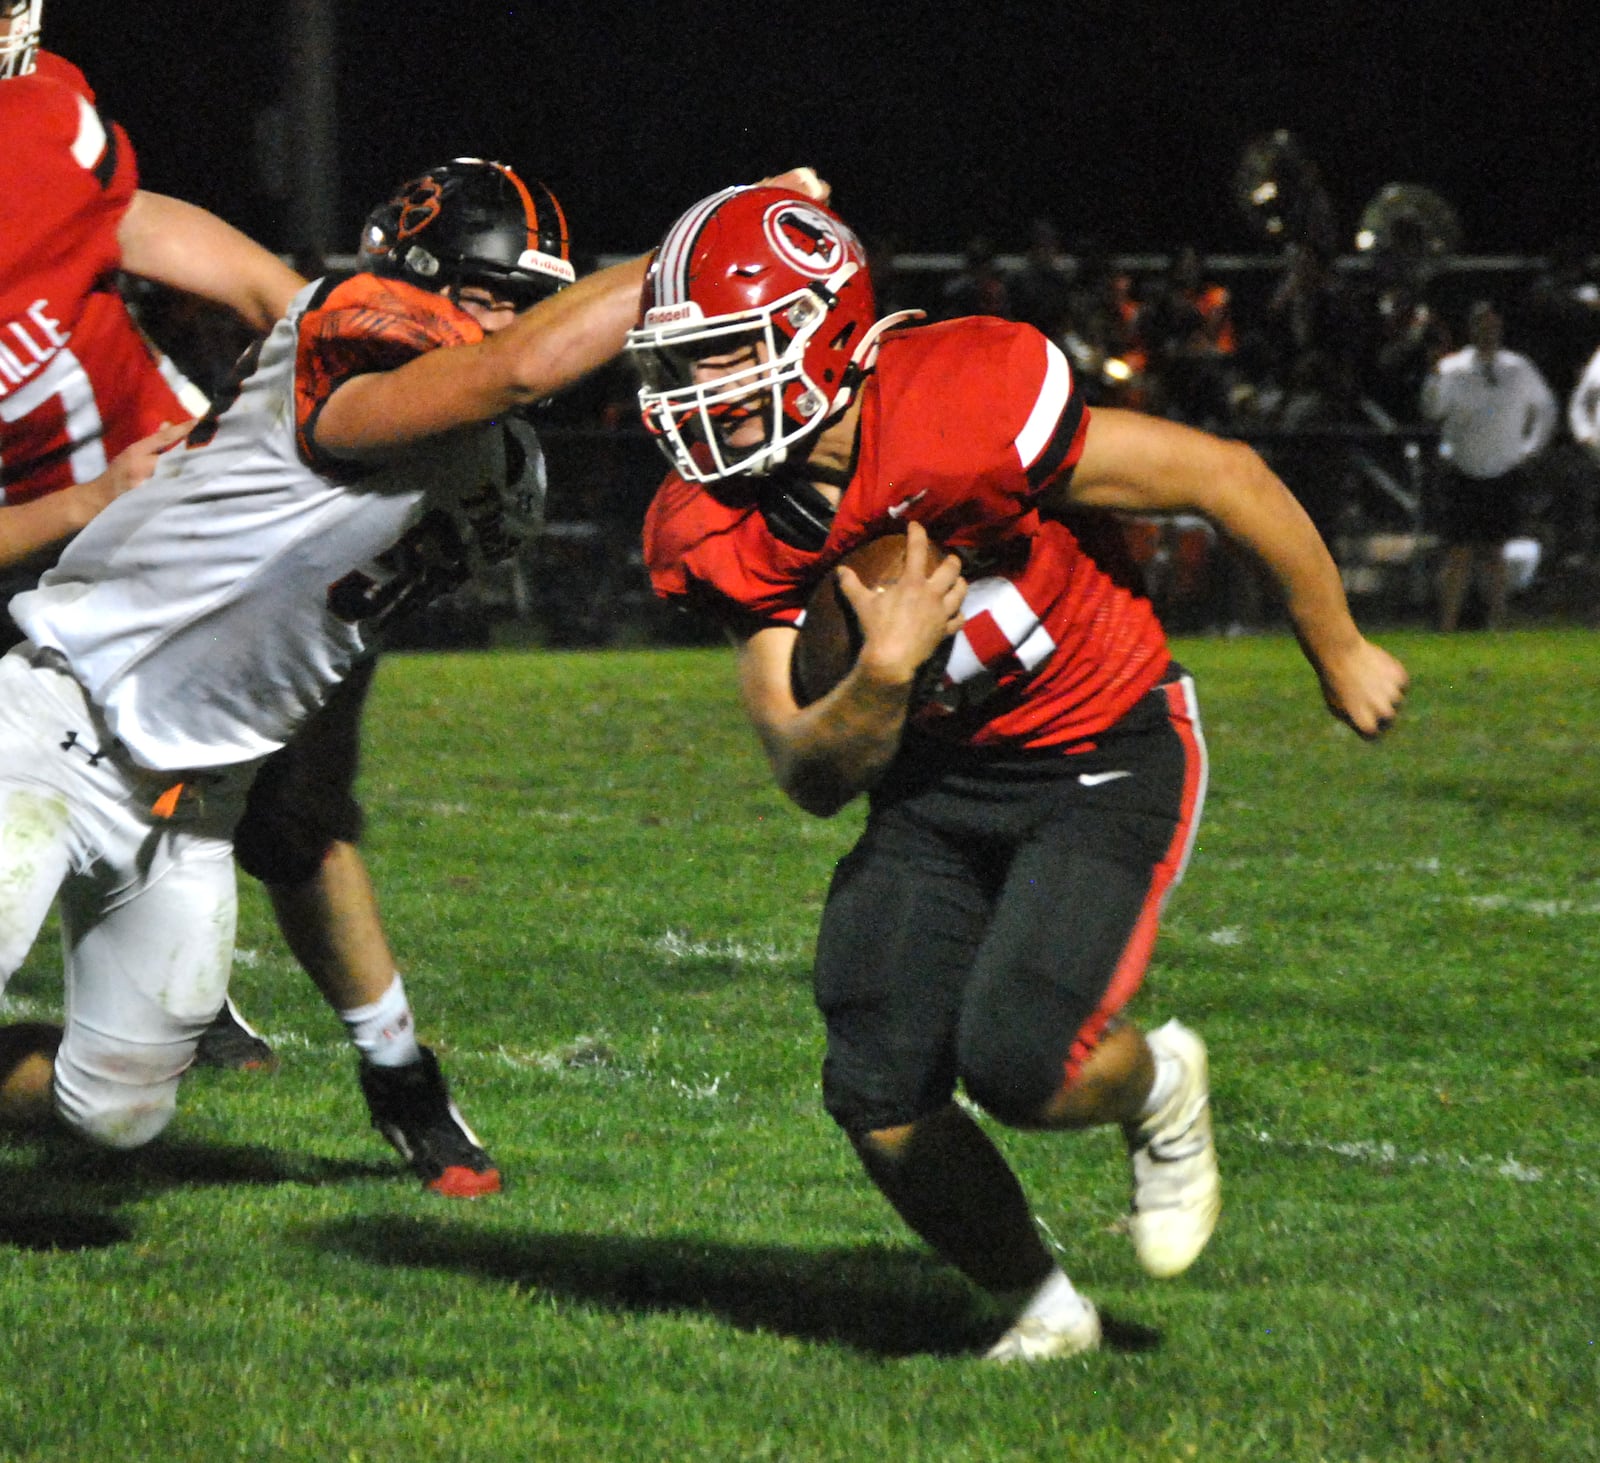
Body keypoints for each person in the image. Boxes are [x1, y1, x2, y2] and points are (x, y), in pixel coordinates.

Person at [628, 185, 1407, 1361]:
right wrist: (880, 676)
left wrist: (1336, 644)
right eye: (682, 361)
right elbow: (808, 767)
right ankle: (1044, 1311)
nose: (701, 392)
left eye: (728, 351)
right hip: (935, 783)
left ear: (825, 329)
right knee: (876, 1074)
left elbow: (1221, 475)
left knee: (1022, 1059)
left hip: (1099, 743)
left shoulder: (964, 404)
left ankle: (1158, 1088)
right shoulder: (718, 522)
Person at [0, 147, 826, 1166]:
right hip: (48, 730)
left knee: (115, 1111)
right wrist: (707, 240)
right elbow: (511, 365)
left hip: (192, 805)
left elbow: (496, 384)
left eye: (528, 302)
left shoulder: (508, 475)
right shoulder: (343, 340)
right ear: (410, 273)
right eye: (487, 294)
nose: (506, 321)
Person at [0, 4, 514, 1196]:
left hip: (157, 503)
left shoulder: (34, 127)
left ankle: (391, 1067)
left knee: (292, 804)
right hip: (51, 532)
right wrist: (69, 510)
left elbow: (135, 222)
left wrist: (308, 325)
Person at [1420, 300, 1557, 631]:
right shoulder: (1454, 368)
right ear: (1471, 328)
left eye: (1493, 324)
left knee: (1496, 552)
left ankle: (1497, 623)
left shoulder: (1518, 368)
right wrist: (1434, 376)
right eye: (1481, 324)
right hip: (1463, 468)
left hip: (1503, 469)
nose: (1488, 330)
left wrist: (1530, 447)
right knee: (1458, 553)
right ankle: (1448, 624)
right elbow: (1433, 409)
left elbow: (1545, 406)